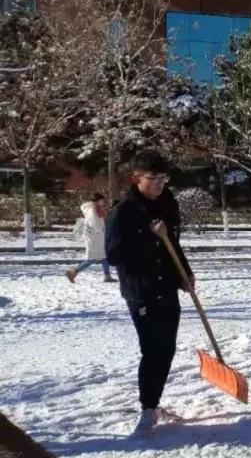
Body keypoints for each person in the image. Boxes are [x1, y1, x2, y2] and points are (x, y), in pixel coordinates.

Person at [105, 150, 193, 434]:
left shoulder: (168, 204)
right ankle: (147, 409)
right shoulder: (123, 212)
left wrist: (185, 274)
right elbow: (115, 255)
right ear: (136, 178)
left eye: (163, 178)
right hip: (141, 291)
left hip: (167, 287)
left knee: (166, 350)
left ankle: (153, 403)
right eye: (153, 178)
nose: (160, 184)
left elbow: (173, 245)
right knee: (152, 351)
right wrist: (150, 238)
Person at [66, 193, 115, 284]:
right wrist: (102, 230)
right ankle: (73, 272)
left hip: (98, 238)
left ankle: (107, 276)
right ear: (98, 200)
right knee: (91, 259)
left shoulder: (95, 209)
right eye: (102, 200)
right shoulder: (92, 210)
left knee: (104, 256)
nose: (103, 202)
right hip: (94, 238)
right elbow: (95, 224)